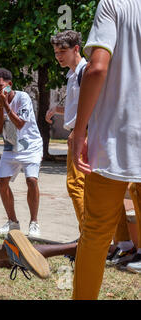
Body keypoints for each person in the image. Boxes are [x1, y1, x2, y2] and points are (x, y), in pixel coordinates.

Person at [72, 0, 141, 299]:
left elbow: (97, 68)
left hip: (116, 140)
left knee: (96, 235)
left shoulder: (114, 4)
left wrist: (78, 131)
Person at [0, 68, 43, 237]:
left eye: (0, 87)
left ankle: (34, 223)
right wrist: (0, 107)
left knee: (32, 180)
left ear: (9, 84)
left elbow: (20, 124)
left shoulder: (23, 98)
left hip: (30, 144)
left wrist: (5, 104)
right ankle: (12, 222)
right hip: (11, 145)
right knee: (1, 182)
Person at [47, 30, 87, 232]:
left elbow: (93, 105)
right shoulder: (73, 74)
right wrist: (58, 110)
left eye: (63, 51)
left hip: (82, 133)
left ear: (76, 49)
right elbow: (79, 106)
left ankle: (88, 235)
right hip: (79, 132)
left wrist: (79, 131)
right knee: (85, 188)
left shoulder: (84, 71)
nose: (59, 56)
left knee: (76, 185)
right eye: (56, 52)